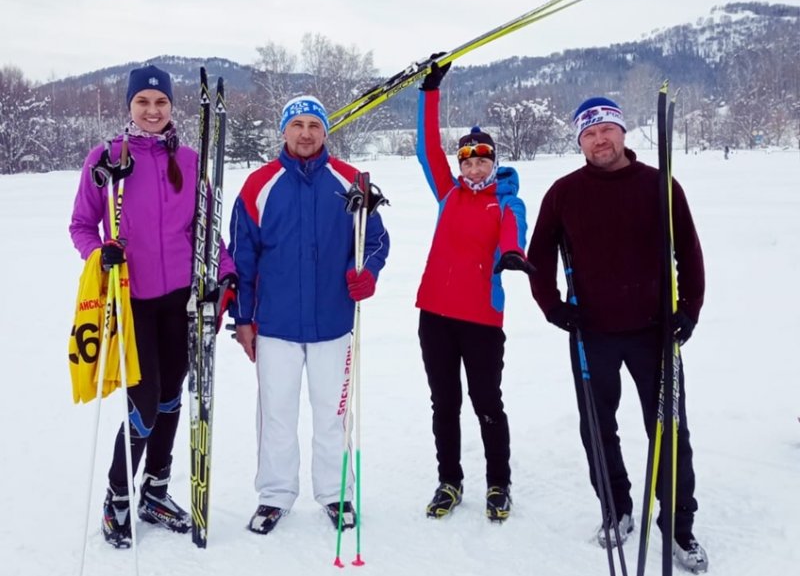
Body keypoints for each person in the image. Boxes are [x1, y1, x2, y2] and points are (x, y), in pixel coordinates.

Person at [526, 96, 708, 572]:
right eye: (588, 133)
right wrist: (552, 307)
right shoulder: (564, 192)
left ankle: (679, 527)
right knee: (598, 430)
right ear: (580, 141)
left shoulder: (659, 185)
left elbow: (689, 254)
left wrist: (687, 311)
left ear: (623, 133)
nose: (599, 139)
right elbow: (539, 256)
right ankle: (618, 509)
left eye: (606, 129)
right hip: (591, 333)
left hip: (655, 334)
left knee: (669, 432)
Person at [69, 65, 237, 548]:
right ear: (129, 106)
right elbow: (82, 225)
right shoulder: (106, 160)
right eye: (142, 102)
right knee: (143, 403)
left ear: (171, 107)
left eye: (160, 102)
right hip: (132, 298)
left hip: (178, 299)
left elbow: (206, 229)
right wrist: (101, 254)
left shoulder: (187, 158)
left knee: (170, 398)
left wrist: (224, 270)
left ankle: (156, 492)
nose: (152, 110)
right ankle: (117, 497)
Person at [229, 95, 390, 535]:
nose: (305, 133)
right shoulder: (258, 186)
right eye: (297, 124)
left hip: (334, 323)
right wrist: (244, 319)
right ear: (283, 130)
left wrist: (367, 274)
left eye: (314, 126)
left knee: (332, 414)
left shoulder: (351, 181)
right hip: (276, 325)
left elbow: (375, 242)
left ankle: (336, 492)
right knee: (276, 413)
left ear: (325, 131)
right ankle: (274, 495)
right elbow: (241, 259)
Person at [415, 61, 534, 523]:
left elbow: (513, 229)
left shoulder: (505, 200)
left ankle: (498, 484)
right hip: (435, 316)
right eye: (467, 159)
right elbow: (428, 150)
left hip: (482, 319)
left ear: (494, 163)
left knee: (487, 404)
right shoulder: (449, 194)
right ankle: (450, 480)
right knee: (444, 403)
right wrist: (430, 91)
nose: (474, 166)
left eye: (482, 159)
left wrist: (511, 253)